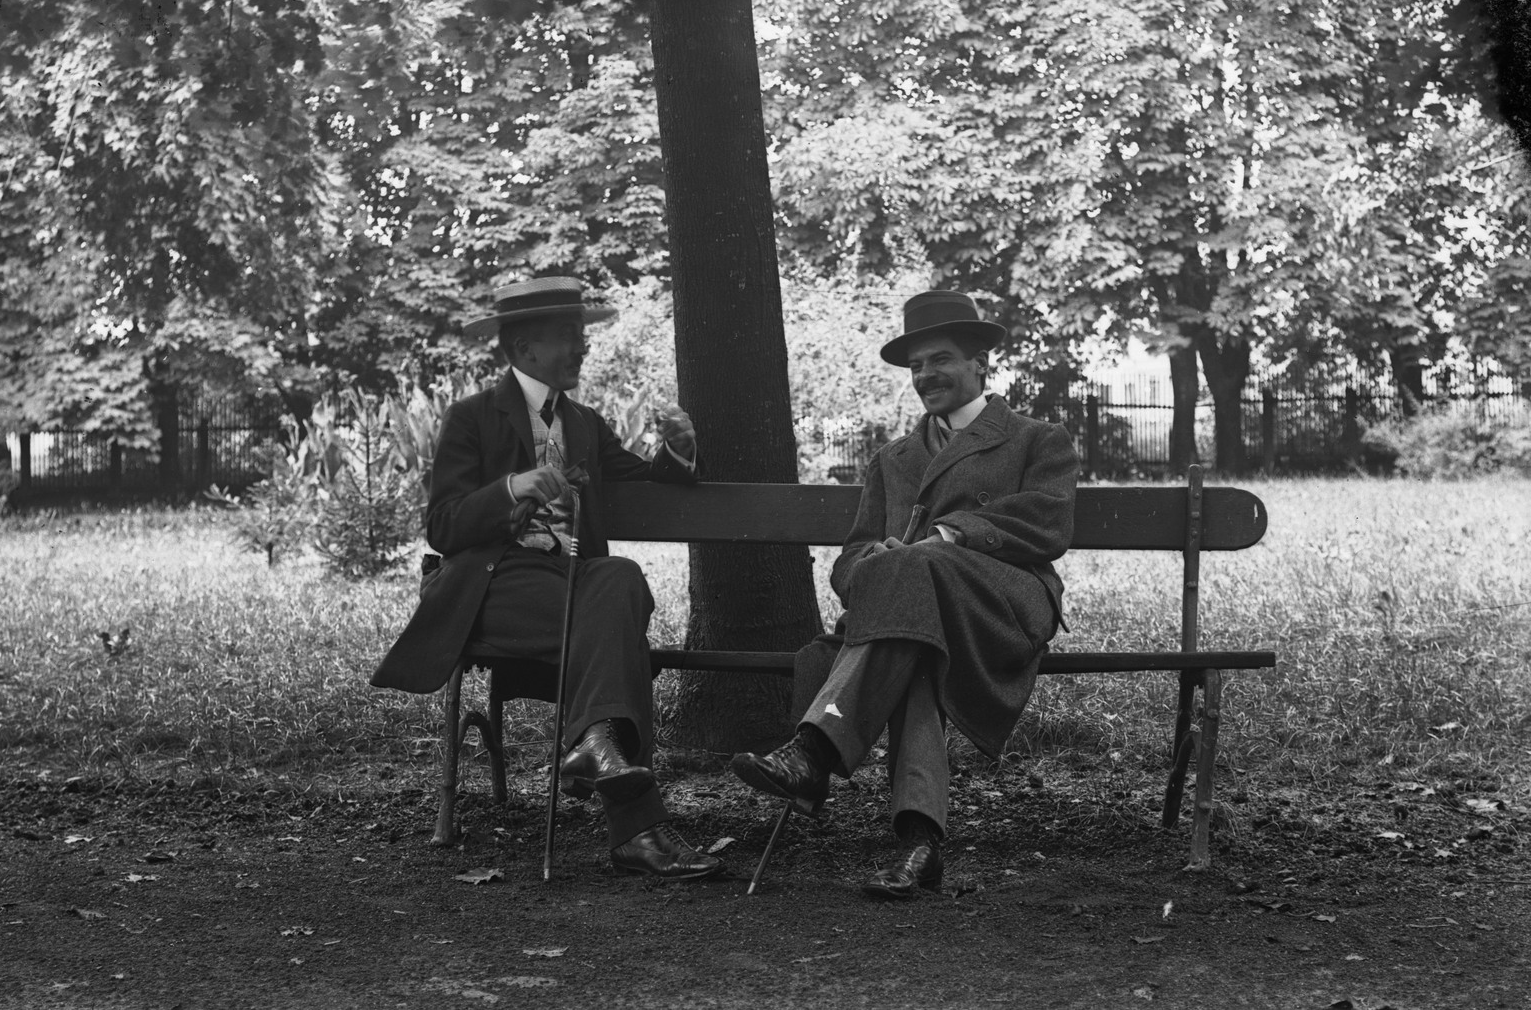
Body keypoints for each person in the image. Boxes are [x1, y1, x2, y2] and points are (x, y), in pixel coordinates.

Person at [371, 276, 726, 881]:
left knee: (617, 579)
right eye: (569, 336)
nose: (582, 348)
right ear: (523, 349)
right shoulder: (472, 418)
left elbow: (643, 479)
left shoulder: (584, 423)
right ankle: (635, 826)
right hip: (494, 587)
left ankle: (597, 749)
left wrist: (680, 452)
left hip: (570, 590)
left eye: (581, 335)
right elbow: (443, 525)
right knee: (617, 620)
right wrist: (511, 487)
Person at [731, 290, 1078, 898]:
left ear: (978, 362)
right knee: (913, 636)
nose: (925, 376)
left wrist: (945, 537)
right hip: (915, 620)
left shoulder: (1035, 438)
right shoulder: (892, 459)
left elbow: (1046, 526)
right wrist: (876, 561)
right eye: (916, 367)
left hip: (1003, 608)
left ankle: (815, 750)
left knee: (919, 571)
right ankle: (920, 845)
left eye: (939, 360)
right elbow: (850, 562)